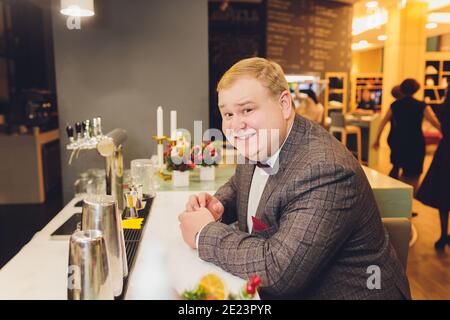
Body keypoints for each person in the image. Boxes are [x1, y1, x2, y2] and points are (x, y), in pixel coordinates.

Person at [178, 57, 410, 299]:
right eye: (227, 114)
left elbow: (279, 272)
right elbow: (239, 185)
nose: (235, 125)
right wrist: (218, 206)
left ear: (284, 104)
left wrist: (203, 233)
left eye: (247, 109)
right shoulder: (262, 140)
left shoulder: (326, 169)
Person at [374, 79, 441, 192]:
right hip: (415, 143)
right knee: (413, 174)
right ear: (416, 89)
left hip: (398, 142)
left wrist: (377, 139)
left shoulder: (395, 105)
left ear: (402, 89)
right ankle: (408, 201)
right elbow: (434, 122)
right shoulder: (421, 106)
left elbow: (383, 122)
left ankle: (395, 196)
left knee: (397, 166)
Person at [416, 91, 450, 250]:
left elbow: (427, 105)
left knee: (444, 195)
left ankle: (443, 234)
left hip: (445, 152)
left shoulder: (442, 108)